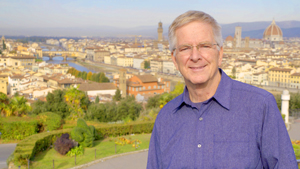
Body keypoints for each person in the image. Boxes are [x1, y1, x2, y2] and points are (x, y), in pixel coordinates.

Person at [147, 10, 297, 168]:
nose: (195, 56)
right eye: (185, 48)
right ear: (174, 60)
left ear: (220, 54)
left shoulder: (260, 106)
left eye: (204, 46)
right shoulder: (165, 119)